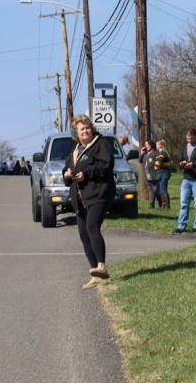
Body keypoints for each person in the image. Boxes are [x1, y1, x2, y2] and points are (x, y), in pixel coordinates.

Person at [63, 114, 116, 289]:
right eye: (81, 129)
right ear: (76, 133)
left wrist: (87, 173)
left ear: (92, 129)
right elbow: (67, 168)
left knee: (92, 226)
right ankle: (95, 273)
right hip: (80, 198)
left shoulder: (101, 145)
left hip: (99, 194)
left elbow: (106, 165)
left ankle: (102, 265)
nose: (85, 131)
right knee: (84, 235)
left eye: (87, 128)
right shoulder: (75, 150)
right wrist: (67, 175)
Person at [175, 129, 196, 234]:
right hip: (186, 178)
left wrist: (194, 164)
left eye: (191, 138)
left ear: (195, 136)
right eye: (187, 138)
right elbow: (179, 159)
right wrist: (182, 163)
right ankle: (181, 226)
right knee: (183, 203)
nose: (189, 140)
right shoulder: (184, 147)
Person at [153, 140, 173, 209]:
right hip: (165, 172)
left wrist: (156, 166)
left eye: (157, 145)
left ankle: (165, 205)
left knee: (162, 189)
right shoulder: (165, 152)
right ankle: (165, 204)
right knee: (163, 188)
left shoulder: (162, 153)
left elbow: (159, 161)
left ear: (160, 145)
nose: (156, 146)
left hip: (163, 172)